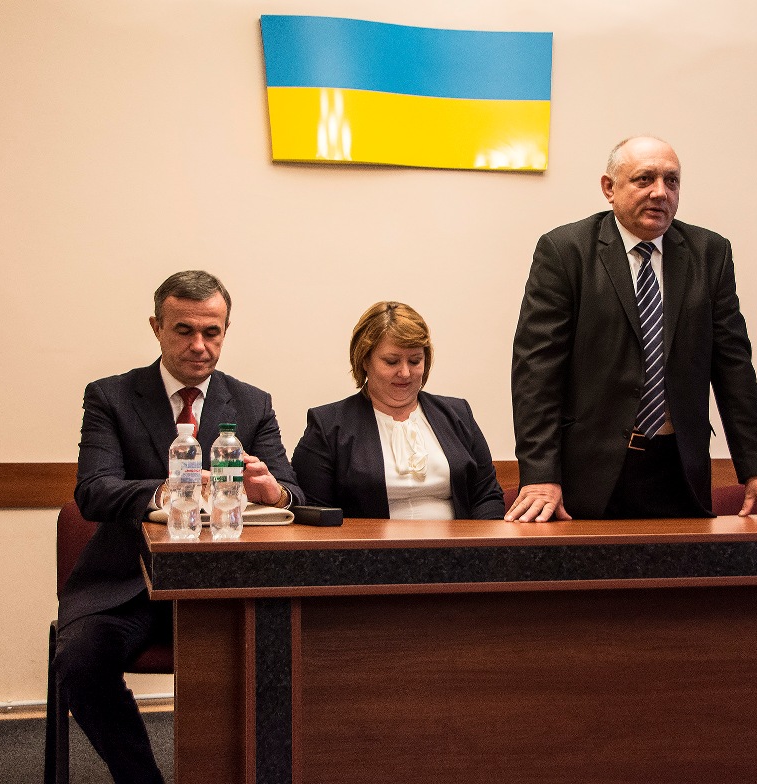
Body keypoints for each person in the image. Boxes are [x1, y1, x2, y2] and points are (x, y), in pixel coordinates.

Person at [56, 270, 304, 784]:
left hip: (226, 586)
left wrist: (273, 492)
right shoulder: (111, 396)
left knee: (283, 653)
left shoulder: (252, 402)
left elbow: (293, 495)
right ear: (156, 327)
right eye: (184, 330)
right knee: (80, 661)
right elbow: (94, 490)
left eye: (212, 332)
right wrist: (170, 492)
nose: (199, 346)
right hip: (128, 585)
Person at [507, 136, 757, 521]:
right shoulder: (566, 250)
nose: (660, 192)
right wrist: (539, 474)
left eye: (672, 181)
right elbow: (537, 371)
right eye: (644, 179)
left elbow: (733, 367)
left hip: (680, 467)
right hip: (589, 470)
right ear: (609, 188)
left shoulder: (709, 253)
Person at [292, 301, 505, 519]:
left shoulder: (458, 414)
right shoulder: (327, 426)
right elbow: (313, 511)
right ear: (364, 360)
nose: (405, 373)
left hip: (459, 541)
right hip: (365, 542)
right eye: (392, 361)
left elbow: (487, 496)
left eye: (415, 361)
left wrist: (479, 540)